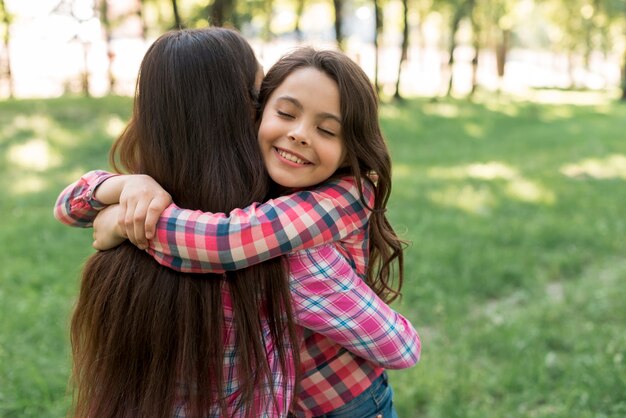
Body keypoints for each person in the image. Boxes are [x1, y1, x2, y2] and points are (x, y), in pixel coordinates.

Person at [55, 29, 420, 418]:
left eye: (327, 130)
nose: (298, 134)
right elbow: (67, 206)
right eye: (275, 107)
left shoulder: (332, 210)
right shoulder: (193, 201)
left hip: (349, 402)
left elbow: (227, 243)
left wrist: (129, 224)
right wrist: (123, 186)